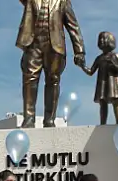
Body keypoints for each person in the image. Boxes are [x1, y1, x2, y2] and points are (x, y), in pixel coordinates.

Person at [16, 0, 86, 128]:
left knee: (53, 80)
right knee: (29, 79)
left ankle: (49, 120)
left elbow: (73, 26)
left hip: (55, 46)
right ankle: (29, 119)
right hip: (33, 44)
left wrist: (79, 51)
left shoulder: (63, 1)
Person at [80, 31, 118, 125]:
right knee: (103, 103)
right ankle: (103, 124)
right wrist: (82, 66)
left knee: (116, 102)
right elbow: (91, 71)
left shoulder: (114, 56)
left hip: (113, 83)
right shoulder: (99, 58)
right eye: (100, 39)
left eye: (104, 38)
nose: (101, 40)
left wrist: (114, 66)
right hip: (102, 84)